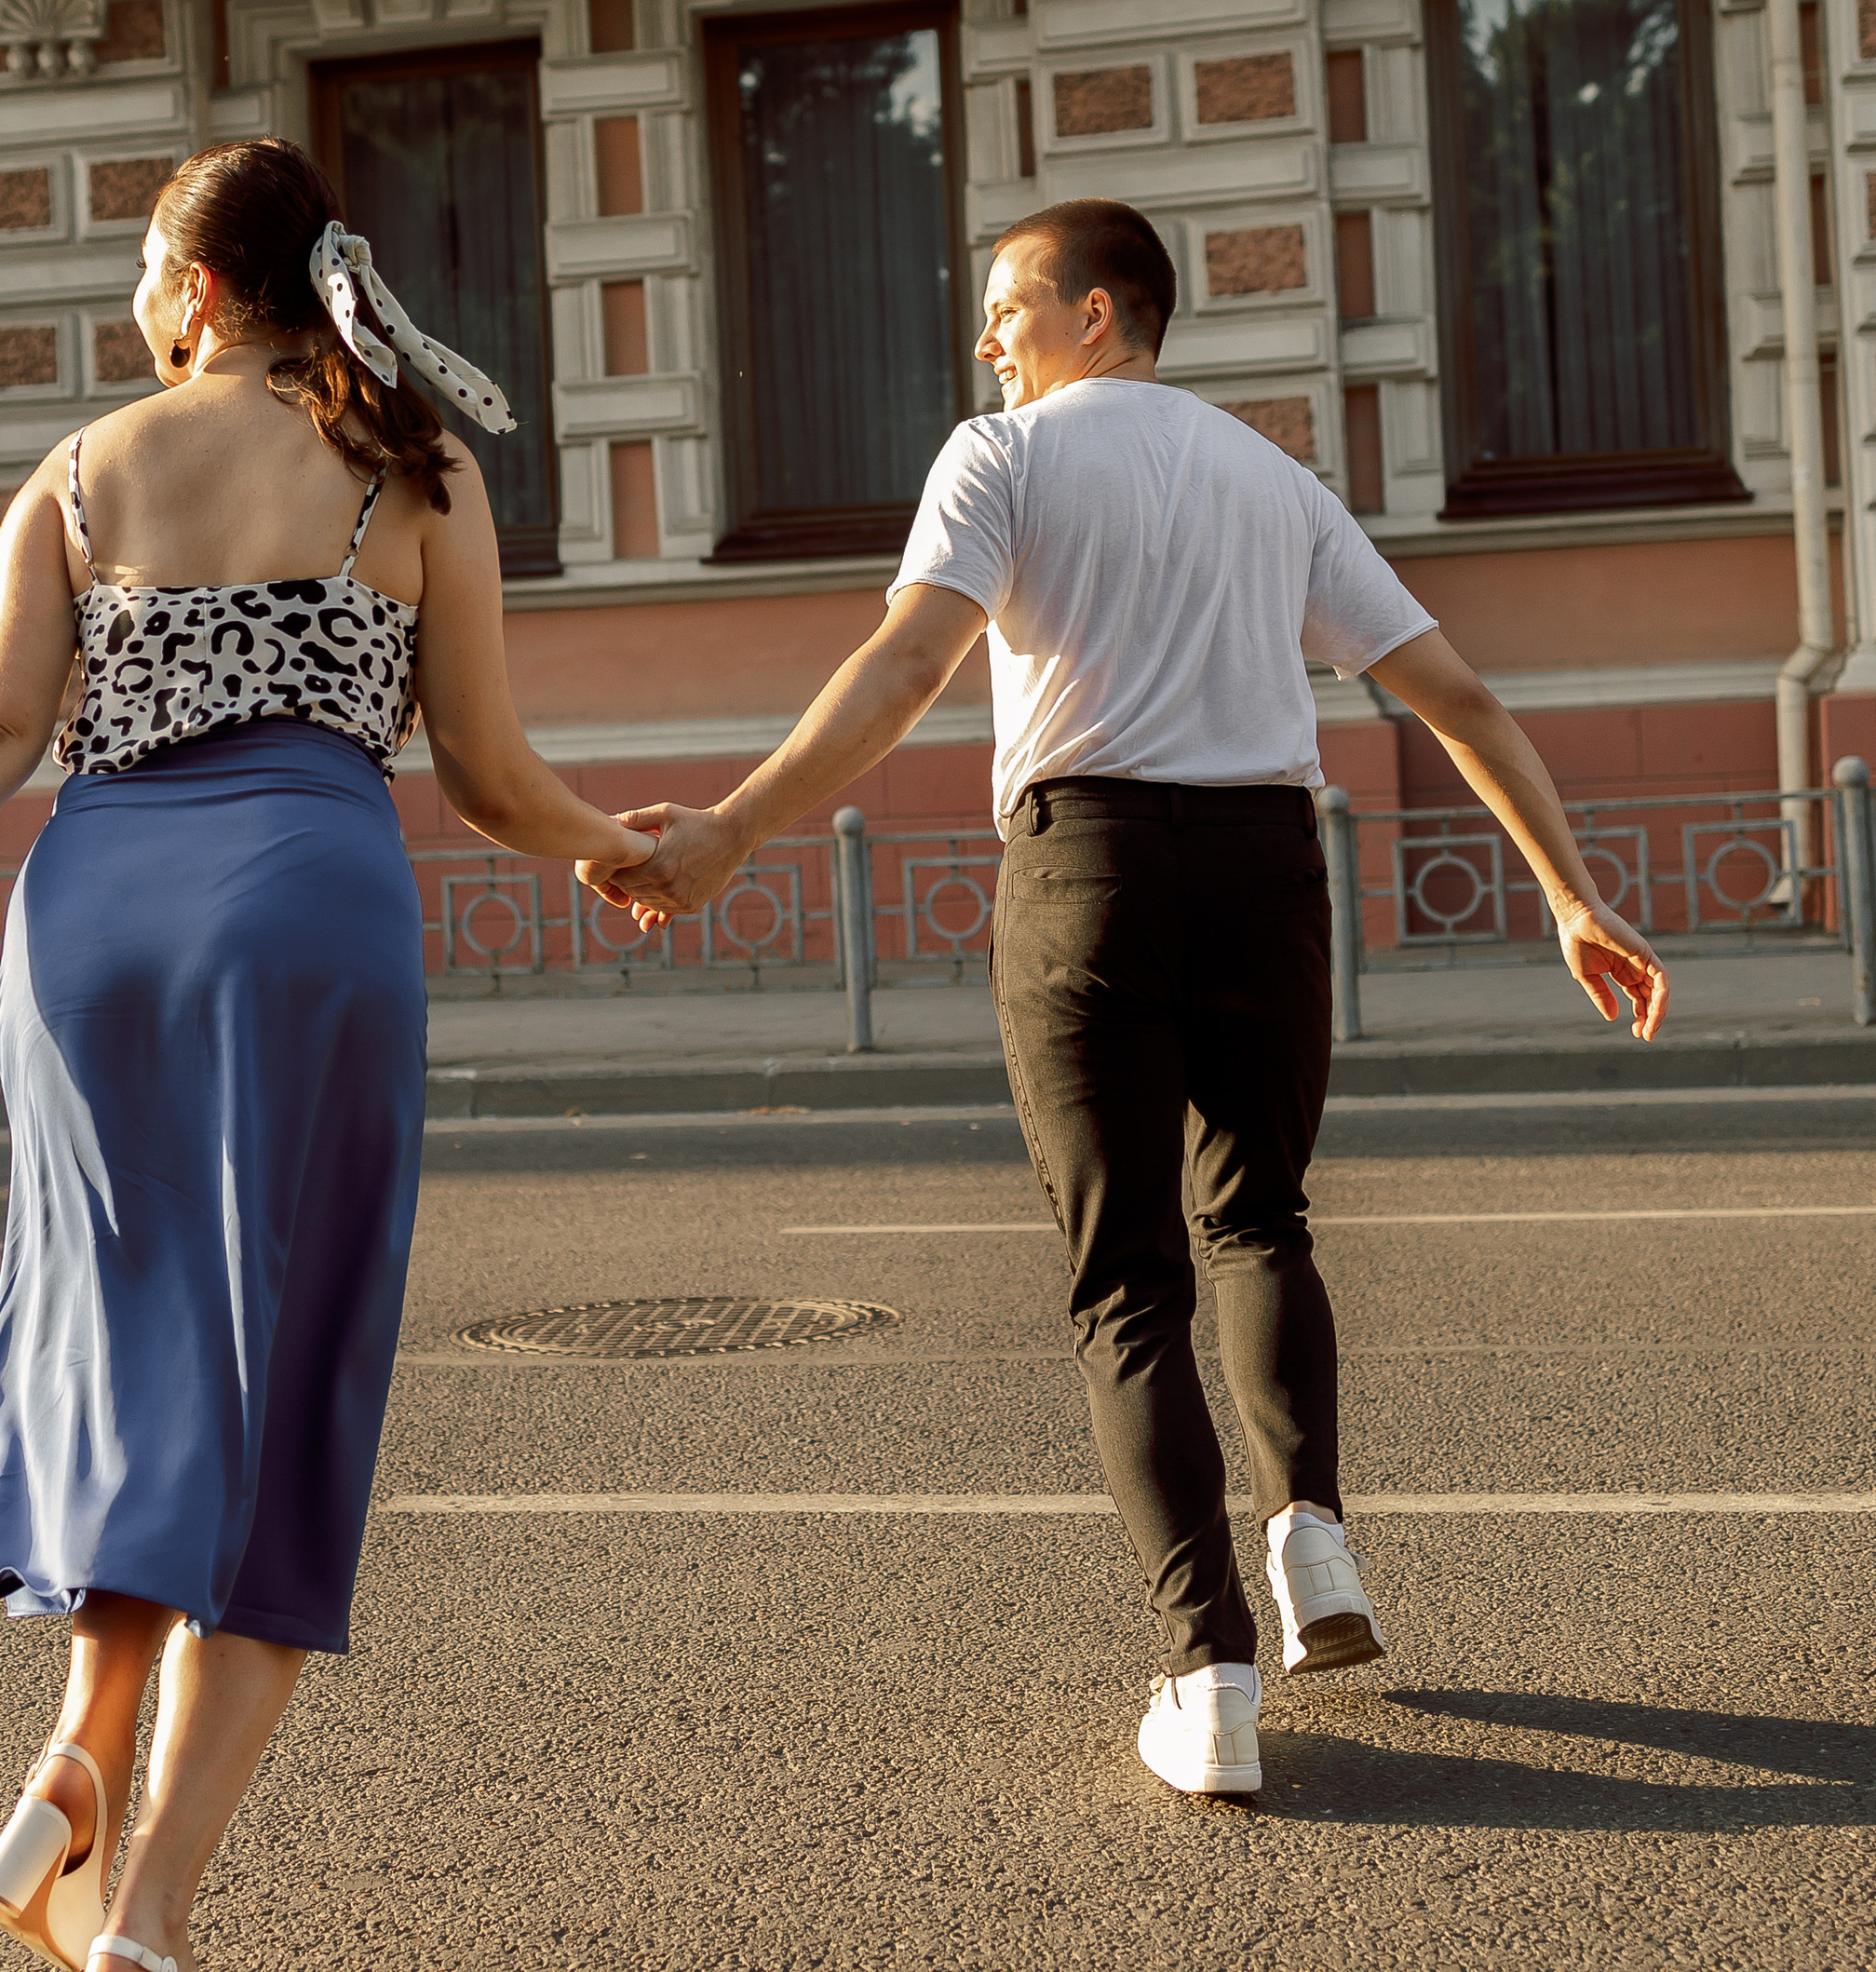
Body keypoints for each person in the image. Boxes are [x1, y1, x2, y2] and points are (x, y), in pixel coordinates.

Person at [0, 138, 656, 1972]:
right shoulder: (411, 473)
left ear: (187, 285)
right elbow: (491, 777)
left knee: (139, 1363)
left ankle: (79, 1751)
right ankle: (145, 1909)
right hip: (301, 918)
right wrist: (618, 851)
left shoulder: (79, 476)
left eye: (139, 273)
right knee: (282, 1390)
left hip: (84, 932)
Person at [586, 198, 1667, 1803]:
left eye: (1008, 309)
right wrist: (1570, 893)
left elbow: (907, 665)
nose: (986, 342)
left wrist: (735, 830)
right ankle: (1315, 1544)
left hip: (1088, 867)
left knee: (1124, 1282)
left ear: (1100, 314)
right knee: (1263, 1219)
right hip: (1263, 870)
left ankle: (1209, 1674)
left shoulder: (1001, 458)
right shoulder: (1275, 479)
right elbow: (1457, 696)